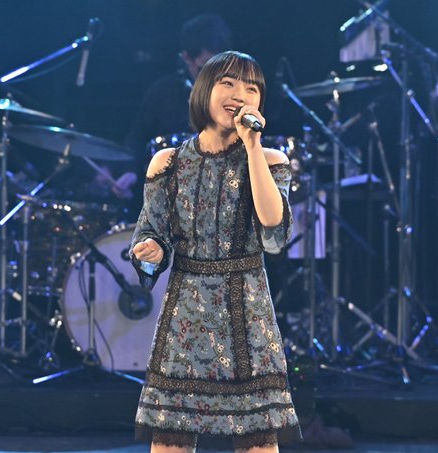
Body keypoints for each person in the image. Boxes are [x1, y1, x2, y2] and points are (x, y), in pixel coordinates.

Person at [129, 51, 302, 451]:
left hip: (248, 312)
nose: (240, 94)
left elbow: (273, 227)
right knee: (170, 435)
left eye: (251, 88)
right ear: (204, 90)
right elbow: (152, 232)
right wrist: (151, 250)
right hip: (186, 314)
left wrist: (253, 146)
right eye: (228, 83)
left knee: (257, 439)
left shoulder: (270, 160)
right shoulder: (167, 163)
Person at [118, 14, 233, 216]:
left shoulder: (239, 94)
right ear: (186, 58)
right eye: (204, 68)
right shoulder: (163, 92)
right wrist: (129, 171)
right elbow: (137, 136)